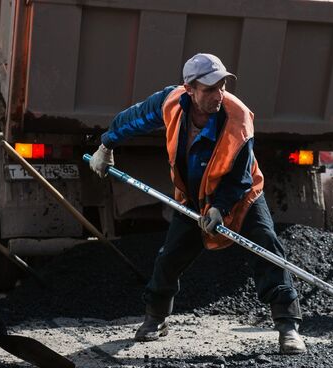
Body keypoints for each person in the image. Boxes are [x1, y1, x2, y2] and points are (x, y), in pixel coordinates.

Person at [89, 53, 307, 354]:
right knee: (169, 257)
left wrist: (220, 207)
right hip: (192, 199)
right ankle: (156, 318)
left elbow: (240, 176)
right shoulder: (171, 102)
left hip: (242, 196)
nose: (219, 95)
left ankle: (288, 327)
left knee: (266, 248)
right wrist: (106, 144)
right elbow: (135, 118)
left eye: (222, 87)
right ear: (189, 89)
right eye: (210, 89)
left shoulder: (238, 117)